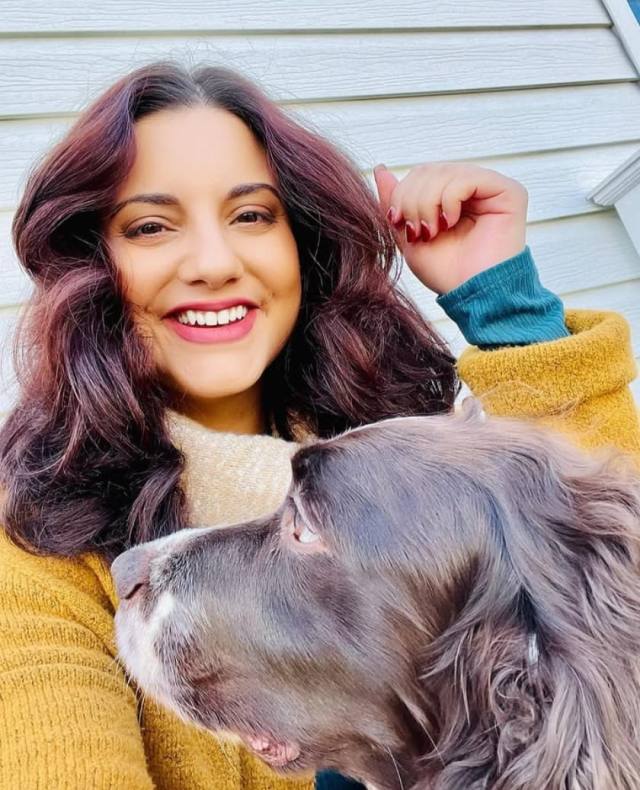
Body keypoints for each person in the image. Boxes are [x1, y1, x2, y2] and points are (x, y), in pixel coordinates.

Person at [0, 60, 638, 790]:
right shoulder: (36, 554)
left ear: (301, 242)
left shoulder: (409, 457)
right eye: (150, 227)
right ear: (93, 267)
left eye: (251, 215)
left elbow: (613, 620)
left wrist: (507, 313)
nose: (213, 263)